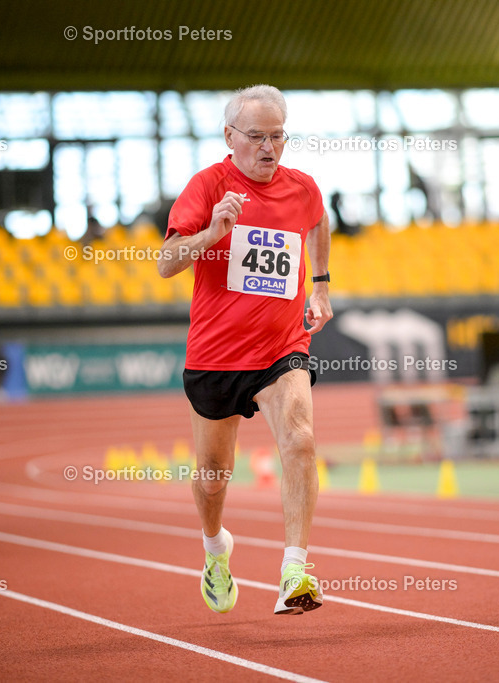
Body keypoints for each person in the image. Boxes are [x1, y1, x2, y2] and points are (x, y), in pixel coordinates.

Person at [158, 84, 333, 616]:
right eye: (257, 136)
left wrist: (320, 285)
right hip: (216, 356)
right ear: (229, 136)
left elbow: (319, 221)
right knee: (213, 478)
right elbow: (167, 261)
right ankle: (215, 549)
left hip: (282, 347)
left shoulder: (302, 188)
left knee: (300, 439)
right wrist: (214, 230)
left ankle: (295, 571)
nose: (269, 147)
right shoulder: (208, 185)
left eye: (278, 136)